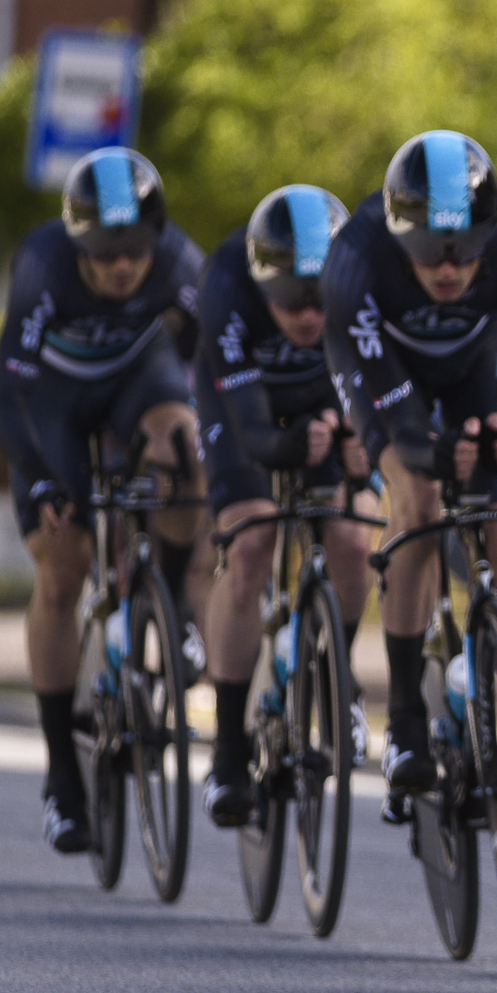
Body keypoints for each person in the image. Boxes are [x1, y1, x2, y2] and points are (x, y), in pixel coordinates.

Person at [0, 147, 208, 854]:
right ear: (77, 244)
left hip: (136, 384)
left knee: (185, 449)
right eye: (105, 253)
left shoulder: (180, 264)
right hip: (53, 404)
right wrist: (44, 476)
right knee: (63, 562)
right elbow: (8, 394)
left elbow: (216, 364)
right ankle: (61, 769)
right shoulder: (43, 265)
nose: (122, 266)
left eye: (136, 251)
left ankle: (169, 608)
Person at [322, 130, 497, 820]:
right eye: (427, 252)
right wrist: (421, 444)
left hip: (485, 372)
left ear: (490, 231)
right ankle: (408, 724)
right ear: (398, 233)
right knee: (415, 504)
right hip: (395, 380)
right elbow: (378, 395)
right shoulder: (356, 258)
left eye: (465, 250)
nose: (447, 270)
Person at [195, 184, 379, 826]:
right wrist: (292, 444)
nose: (306, 313)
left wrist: (364, 449)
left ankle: (335, 673)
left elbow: (376, 389)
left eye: (317, 296)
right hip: (245, 411)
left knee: (354, 539)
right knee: (249, 547)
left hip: (321, 402)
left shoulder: (358, 281)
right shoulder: (226, 288)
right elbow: (251, 433)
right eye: (289, 298)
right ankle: (227, 746)